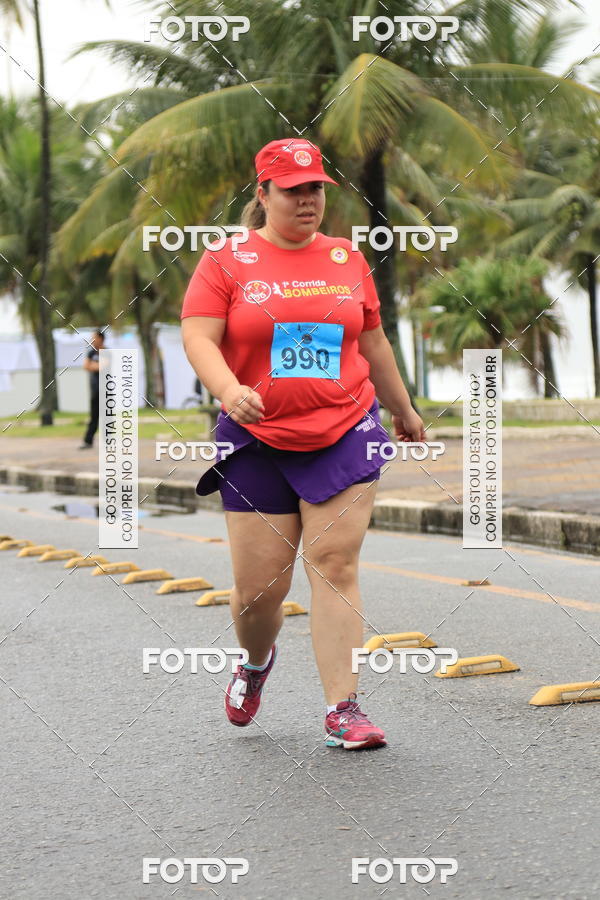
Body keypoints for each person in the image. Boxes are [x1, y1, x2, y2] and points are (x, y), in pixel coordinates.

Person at [181, 138, 425, 750]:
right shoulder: (226, 261)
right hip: (256, 437)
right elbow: (198, 337)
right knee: (260, 592)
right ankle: (256, 662)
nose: (308, 199)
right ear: (262, 194)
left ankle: (344, 708)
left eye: (315, 187)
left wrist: (404, 409)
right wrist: (228, 388)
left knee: (336, 564)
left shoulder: (346, 260)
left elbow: (372, 343)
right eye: (292, 190)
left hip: (345, 430)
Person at [79, 330, 104, 449]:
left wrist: (93, 366)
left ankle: (108, 443)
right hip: (94, 390)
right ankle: (88, 441)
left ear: (101, 338)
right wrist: (97, 366)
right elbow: (86, 366)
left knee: (107, 417)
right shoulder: (91, 353)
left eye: (94, 338)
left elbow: (105, 367)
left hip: (106, 390)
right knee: (94, 417)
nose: (92, 341)